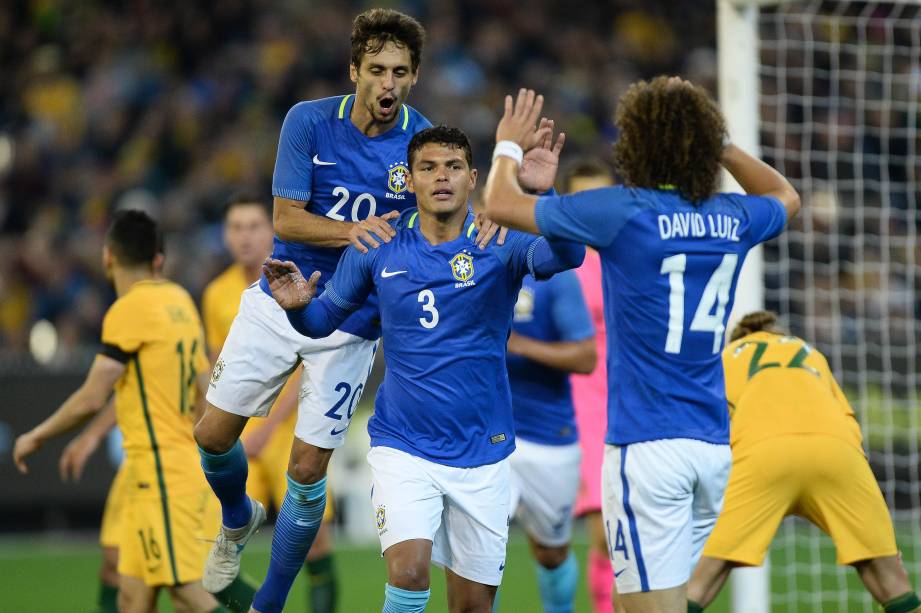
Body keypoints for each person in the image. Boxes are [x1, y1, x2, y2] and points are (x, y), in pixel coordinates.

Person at [482, 81, 801, 613]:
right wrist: (718, 142)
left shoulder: (622, 211)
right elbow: (785, 197)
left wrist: (508, 147)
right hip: (711, 448)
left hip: (647, 447)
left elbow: (497, 202)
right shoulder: (732, 216)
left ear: (636, 143)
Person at [262, 125, 583, 613]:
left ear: (472, 178)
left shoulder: (499, 240)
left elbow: (569, 253)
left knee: (472, 606)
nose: (441, 177)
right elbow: (322, 321)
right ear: (409, 179)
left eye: (453, 167)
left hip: (484, 451)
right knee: (409, 575)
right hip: (404, 445)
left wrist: (543, 193)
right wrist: (295, 308)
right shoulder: (378, 246)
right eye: (428, 167)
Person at [191, 10, 441, 613]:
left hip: (352, 323)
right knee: (211, 436)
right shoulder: (307, 121)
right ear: (354, 69)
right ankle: (237, 514)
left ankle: (267, 604)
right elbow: (286, 219)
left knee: (307, 471)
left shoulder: (421, 139)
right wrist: (358, 231)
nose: (388, 83)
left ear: (413, 80)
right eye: (377, 69)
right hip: (281, 296)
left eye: (400, 73)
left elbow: (431, 227)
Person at [13, 210, 239, 613]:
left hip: (160, 476)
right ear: (158, 258)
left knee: (187, 588)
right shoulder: (180, 301)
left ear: (107, 257)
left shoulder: (127, 310)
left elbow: (92, 396)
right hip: (171, 468)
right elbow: (202, 389)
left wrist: (37, 435)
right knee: (133, 596)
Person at [686, 311, 921, 613]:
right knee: (892, 582)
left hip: (764, 456)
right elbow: (849, 421)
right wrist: (878, 532)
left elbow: (712, 426)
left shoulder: (725, 358)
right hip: (837, 454)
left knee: (703, 581)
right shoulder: (810, 353)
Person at [201, 194, 337, 612]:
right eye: (236, 228)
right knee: (211, 556)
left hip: (285, 429)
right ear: (225, 235)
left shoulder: (301, 280)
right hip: (241, 433)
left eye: (253, 227)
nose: (244, 236)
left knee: (314, 542)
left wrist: (270, 427)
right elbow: (215, 364)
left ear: (272, 229)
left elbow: (308, 365)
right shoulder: (216, 294)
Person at [506, 263, 596, 613]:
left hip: (547, 435)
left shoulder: (554, 275)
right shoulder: (469, 261)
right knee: (478, 555)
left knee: (551, 553)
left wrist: (517, 344)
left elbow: (586, 357)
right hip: (485, 435)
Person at [561, 159, 617, 613]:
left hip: (633, 399)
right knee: (603, 534)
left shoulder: (630, 253)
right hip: (583, 405)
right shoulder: (560, 263)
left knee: (639, 538)